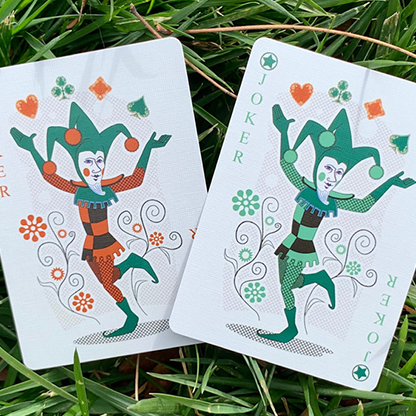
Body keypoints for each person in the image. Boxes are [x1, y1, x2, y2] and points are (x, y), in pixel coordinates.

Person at [11, 102, 171, 337]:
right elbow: (50, 177)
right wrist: (32, 149)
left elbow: (136, 179)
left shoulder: (108, 187)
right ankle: (132, 261)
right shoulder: (78, 188)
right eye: (88, 162)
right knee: (108, 277)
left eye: (99, 161)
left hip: (103, 243)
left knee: (107, 284)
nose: (96, 168)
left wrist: (148, 147)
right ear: (77, 164)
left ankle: (131, 317)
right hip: (90, 243)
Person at [257, 105, 415, 343]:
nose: (332, 177)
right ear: (318, 164)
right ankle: (320, 278)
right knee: (290, 282)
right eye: (329, 168)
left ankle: (291, 329)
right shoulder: (305, 187)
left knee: (286, 289)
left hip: (301, 249)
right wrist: (283, 132)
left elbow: (364, 205)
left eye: (339, 172)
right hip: (289, 242)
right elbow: (285, 164)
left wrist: (390, 183)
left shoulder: (333, 200)